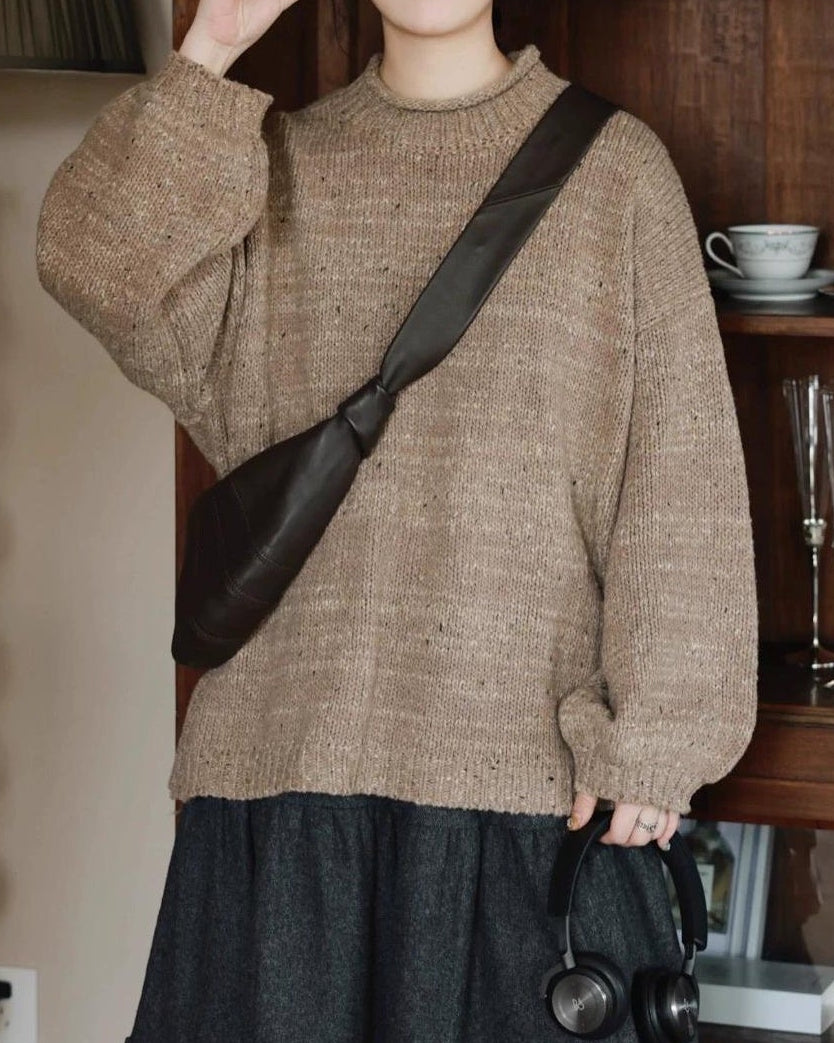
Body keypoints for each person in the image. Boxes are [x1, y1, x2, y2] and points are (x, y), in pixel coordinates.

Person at [35, 0, 759, 1039]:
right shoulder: (269, 166)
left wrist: (658, 740)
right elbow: (92, 263)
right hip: (279, 788)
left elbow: (679, 474)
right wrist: (214, 42)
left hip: (522, 803)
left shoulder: (618, 175)